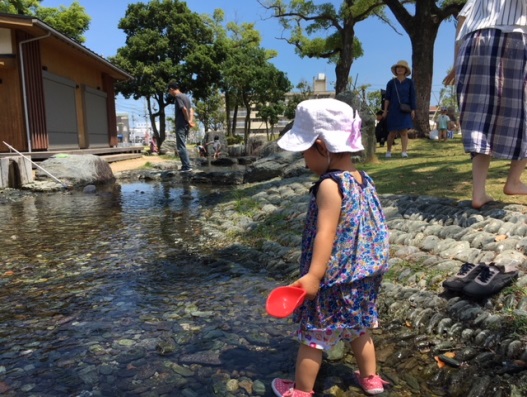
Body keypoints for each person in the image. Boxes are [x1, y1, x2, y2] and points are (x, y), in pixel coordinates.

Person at [272, 98, 390, 397]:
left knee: (313, 336)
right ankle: (371, 379)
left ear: (322, 147)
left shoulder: (329, 184)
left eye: (305, 153)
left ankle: (301, 390)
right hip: (362, 275)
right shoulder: (363, 179)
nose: (304, 161)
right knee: (359, 328)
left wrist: (313, 277)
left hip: (331, 278)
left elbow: (325, 234)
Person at [447, 0, 527, 209]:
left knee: (479, 115)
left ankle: (479, 192)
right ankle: (514, 181)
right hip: (515, 36)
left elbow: (462, 21)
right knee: (524, 110)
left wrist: (457, 62)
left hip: (473, 42)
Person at [382, 60, 416, 158]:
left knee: (404, 132)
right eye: (398, 67)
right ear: (395, 70)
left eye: (402, 67)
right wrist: (385, 110)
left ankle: (404, 151)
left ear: (406, 70)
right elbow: (387, 98)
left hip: (405, 110)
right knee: (392, 132)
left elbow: (412, 96)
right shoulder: (391, 83)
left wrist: (413, 110)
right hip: (393, 109)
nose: (400, 69)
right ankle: (388, 151)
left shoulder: (410, 82)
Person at [166, 81, 195, 172]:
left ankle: (187, 166)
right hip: (186, 125)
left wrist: (187, 120)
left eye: (169, 91)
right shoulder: (185, 96)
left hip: (181, 124)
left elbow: (184, 109)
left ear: (171, 89)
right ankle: (185, 166)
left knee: (181, 146)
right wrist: (190, 121)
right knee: (183, 145)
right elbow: (191, 110)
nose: (169, 93)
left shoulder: (178, 97)